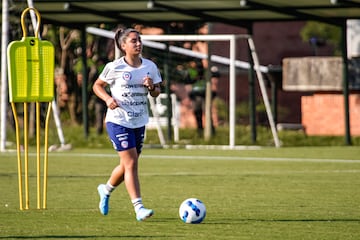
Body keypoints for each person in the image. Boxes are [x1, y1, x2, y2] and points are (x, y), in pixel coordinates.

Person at [92, 28, 162, 221]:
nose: (138, 44)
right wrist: (107, 99)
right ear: (123, 46)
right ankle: (139, 207)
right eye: (133, 41)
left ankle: (105, 190)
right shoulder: (114, 67)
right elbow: (97, 86)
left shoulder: (150, 66)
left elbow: (157, 92)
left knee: (127, 165)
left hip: (139, 121)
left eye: (139, 40)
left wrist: (151, 86)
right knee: (131, 163)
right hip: (118, 121)